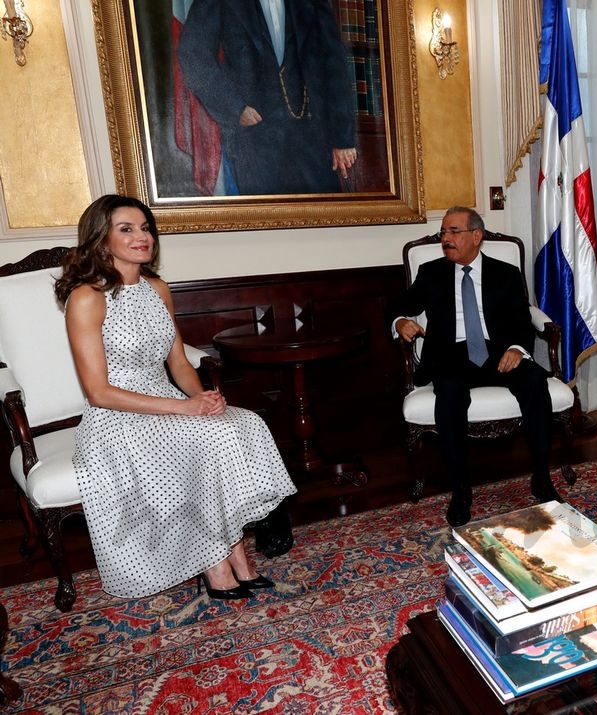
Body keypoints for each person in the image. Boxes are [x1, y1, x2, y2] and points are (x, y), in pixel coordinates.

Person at [55, 194, 298, 601]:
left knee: (244, 422)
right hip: (118, 416)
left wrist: (204, 398)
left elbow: (180, 363)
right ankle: (218, 562)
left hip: (168, 401)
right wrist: (184, 408)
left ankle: (235, 551)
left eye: (145, 227)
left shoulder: (157, 288)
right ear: (100, 239)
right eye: (126, 229)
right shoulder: (87, 297)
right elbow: (97, 392)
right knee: (209, 439)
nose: (142, 236)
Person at [390, 207, 560, 527]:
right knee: (450, 391)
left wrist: (516, 348)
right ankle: (461, 489)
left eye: (453, 232)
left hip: (498, 353)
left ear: (476, 236)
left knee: (535, 382)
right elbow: (399, 305)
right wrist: (400, 322)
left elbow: (522, 320)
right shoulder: (431, 272)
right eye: (443, 233)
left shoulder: (506, 273)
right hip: (451, 355)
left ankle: (541, 478)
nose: (446, 239)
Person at [176, 0, 357, 195]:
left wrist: (343, 138)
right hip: (253, 139)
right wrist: (235, 109)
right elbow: (193, 53)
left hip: (313, 136)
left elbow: (334, 62)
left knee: (321, 215)